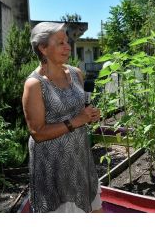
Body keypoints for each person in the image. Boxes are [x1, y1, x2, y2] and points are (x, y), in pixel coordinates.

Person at [22, 22, 102, 213]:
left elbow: (81, 109)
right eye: (60, 43)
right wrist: (76, 121)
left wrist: (90, 115)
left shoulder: (76, 74)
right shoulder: (34, 85)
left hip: (79, 156)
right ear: (43, 48)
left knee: (92, 207)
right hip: (52, 164)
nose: (68, 46)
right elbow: (37, 133)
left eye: (67, 41)